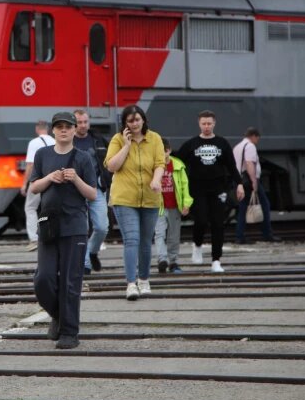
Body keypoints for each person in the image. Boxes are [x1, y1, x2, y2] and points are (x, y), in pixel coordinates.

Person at [30, 111, 97, 349]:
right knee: (43, 279)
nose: (64, 130)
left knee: (71, 281)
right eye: (59, 127)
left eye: (68, 126)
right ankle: (58, 315)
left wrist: (76, 179)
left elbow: (92, 194)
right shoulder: (42, 154)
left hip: (75, 225)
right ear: (53, 130)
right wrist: (50, 177)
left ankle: (70, 332)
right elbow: (34, 187)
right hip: (48, 225)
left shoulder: (83, 157)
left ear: (74, 130)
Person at [104, 104, 165, 300]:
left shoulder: (154, 138)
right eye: (130, 121)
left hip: (150, 197)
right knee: (132, 240)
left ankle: (144, 280)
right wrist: (126, 146)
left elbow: (160, 164)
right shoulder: (118, 139)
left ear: (143, 120)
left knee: (146, 242)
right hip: (125, 198)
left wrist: (156, 180)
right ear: (125, 123)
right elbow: (111, 166)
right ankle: (131, 284)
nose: (135, 123)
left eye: (138, 119)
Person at [175, 110, 244, 273]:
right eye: (203, 123)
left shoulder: (222, 143)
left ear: (214, 124)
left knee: (218, 224)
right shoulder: (191, 144)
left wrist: (239, 184)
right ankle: (197, 245)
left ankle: (216, 260)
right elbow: (178, 163)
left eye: (209, 123)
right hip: (197, 189)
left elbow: (232, 167)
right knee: (200, 220)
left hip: (218, 189)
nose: (206, 126)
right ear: (199, 124)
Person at [72, 109, 111, 274]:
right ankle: (86, 264)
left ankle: (92, 251)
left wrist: (107, 179)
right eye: (79, 122)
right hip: (75, 191)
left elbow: (109, 160)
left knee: (102, 227)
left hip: (96, 189)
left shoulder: (98, 139)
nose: (82, 125)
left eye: (85, 122)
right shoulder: (69, 140)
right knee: (82, 228)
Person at [233, 127, 280, 244]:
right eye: (257, 138)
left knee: (243, 208)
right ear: (254, 136)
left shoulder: (237, 147)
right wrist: (254, 182)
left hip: (240, 181)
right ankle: (267, 234)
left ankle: (239, 236)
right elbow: (249, 163)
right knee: (265, 205)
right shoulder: (250, 146)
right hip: (249, 180)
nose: (257, 141)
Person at [154, 139, 192, 274]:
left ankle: (173, 261)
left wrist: (186, 203)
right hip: (159, 207)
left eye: (163, 151)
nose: (161, 155)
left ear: (168, 150)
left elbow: (184, 186)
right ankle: (162, 259)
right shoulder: (154, 166)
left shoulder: (177, 166)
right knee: (159, 234)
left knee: (174, 235)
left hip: (174, 206)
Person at [21, 121, 56, 251]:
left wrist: (24, 184)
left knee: (30, 207)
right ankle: (53, 236)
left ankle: (34, 239)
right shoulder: (54, 140)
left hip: (38, 180)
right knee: (50, 208)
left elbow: (30, 165)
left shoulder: (34, 143)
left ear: (37, 129)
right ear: (47, 129)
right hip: (53, 178)